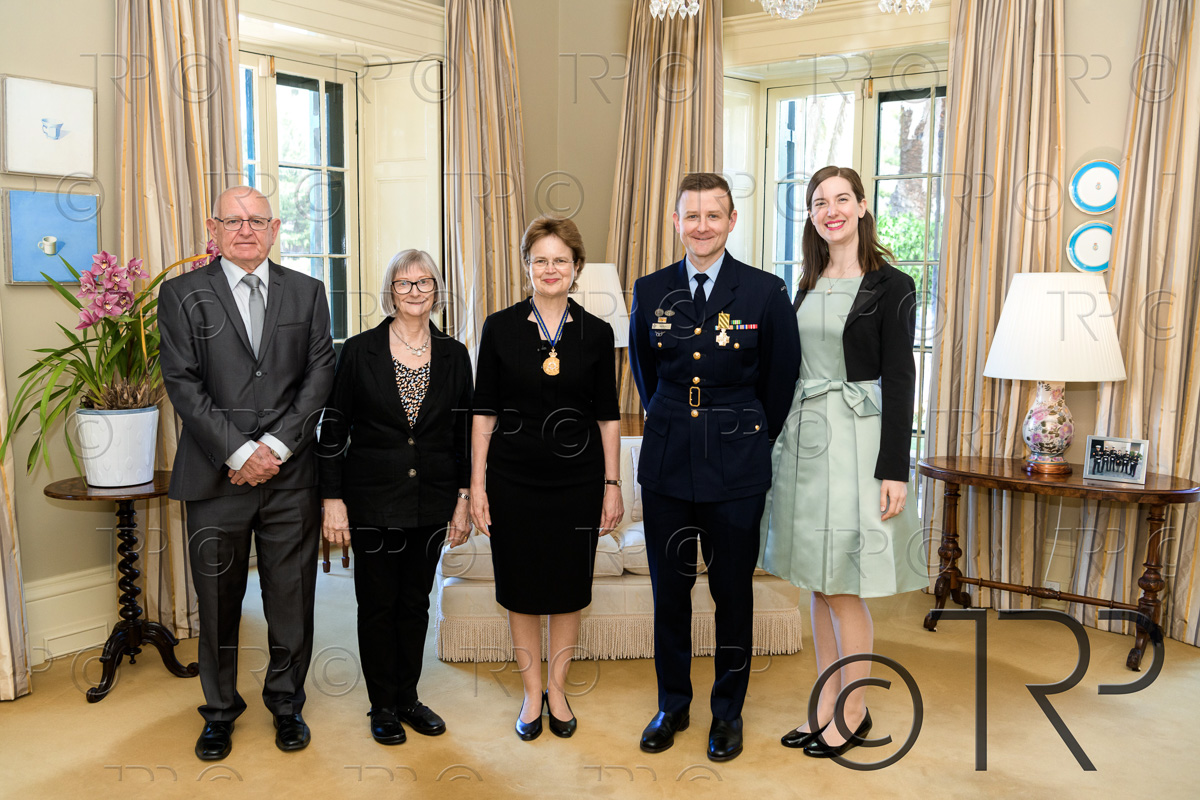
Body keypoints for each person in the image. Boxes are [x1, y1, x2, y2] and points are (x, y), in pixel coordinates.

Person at [629, 172, 801, 762]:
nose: (702, 226)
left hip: (737, 461)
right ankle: (672, 705)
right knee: (670, 593)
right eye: (692, 215)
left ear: (731, 221)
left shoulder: (764, 291)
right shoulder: (650, 289)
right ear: (675, 221)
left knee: (732, 593)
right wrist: (675, 416)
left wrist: (748, 434)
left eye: (713, 215)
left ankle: (727, 712)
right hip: (668, 461)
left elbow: (780, 379)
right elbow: (646, 375)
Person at [159, 186, 336, 760]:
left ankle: (286, 704)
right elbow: (182, 383)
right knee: (217, 601)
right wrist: (239, 453)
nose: (245, 230)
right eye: (232, 221)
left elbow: (319, 375)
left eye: (257, 221)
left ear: (275, 228)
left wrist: (275, 448)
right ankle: (219, 712)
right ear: (213, 228)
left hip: (290, 476)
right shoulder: (182, 294)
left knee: (291, 599)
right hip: (216, 478)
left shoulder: (307, 292)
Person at [759, 165, 927, 759]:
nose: (830, 210)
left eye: (841, 199)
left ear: (860, 207)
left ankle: (853, 710)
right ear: (811, 215)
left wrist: (895, 468)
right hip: (805, 440)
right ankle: (826, 701)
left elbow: (901, 379)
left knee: (844, 584)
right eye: (818, 202)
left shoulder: (894, 285)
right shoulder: (804, 283)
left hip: (858, 441)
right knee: (817, 579)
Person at [469, 215, 623, 742]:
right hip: (512, 482)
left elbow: (608, 417)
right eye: (540, 260)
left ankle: (557, 689)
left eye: (560, 260)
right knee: (522, 589)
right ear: (526, 266)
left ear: (576, 267)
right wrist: (477, 486)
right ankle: (531, 692)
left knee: (567, 589)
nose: (550, 269)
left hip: (578, 484)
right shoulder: (499, 327)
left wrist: (612, 486)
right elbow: (483, 413)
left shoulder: (597, 333)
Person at [317, 249, 473, 746]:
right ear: (390, 291)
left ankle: (408, 697)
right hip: (372, 499)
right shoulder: (359, 350)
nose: (414, 292)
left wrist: (464, 498)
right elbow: (333, 427)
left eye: (424, 282)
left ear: (436, 290)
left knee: (415, 604)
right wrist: (332, 499)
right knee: (377, 605)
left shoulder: (454, 354)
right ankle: (382, 704)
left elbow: (464, 435)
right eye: (403, 283)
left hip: (432, 500)